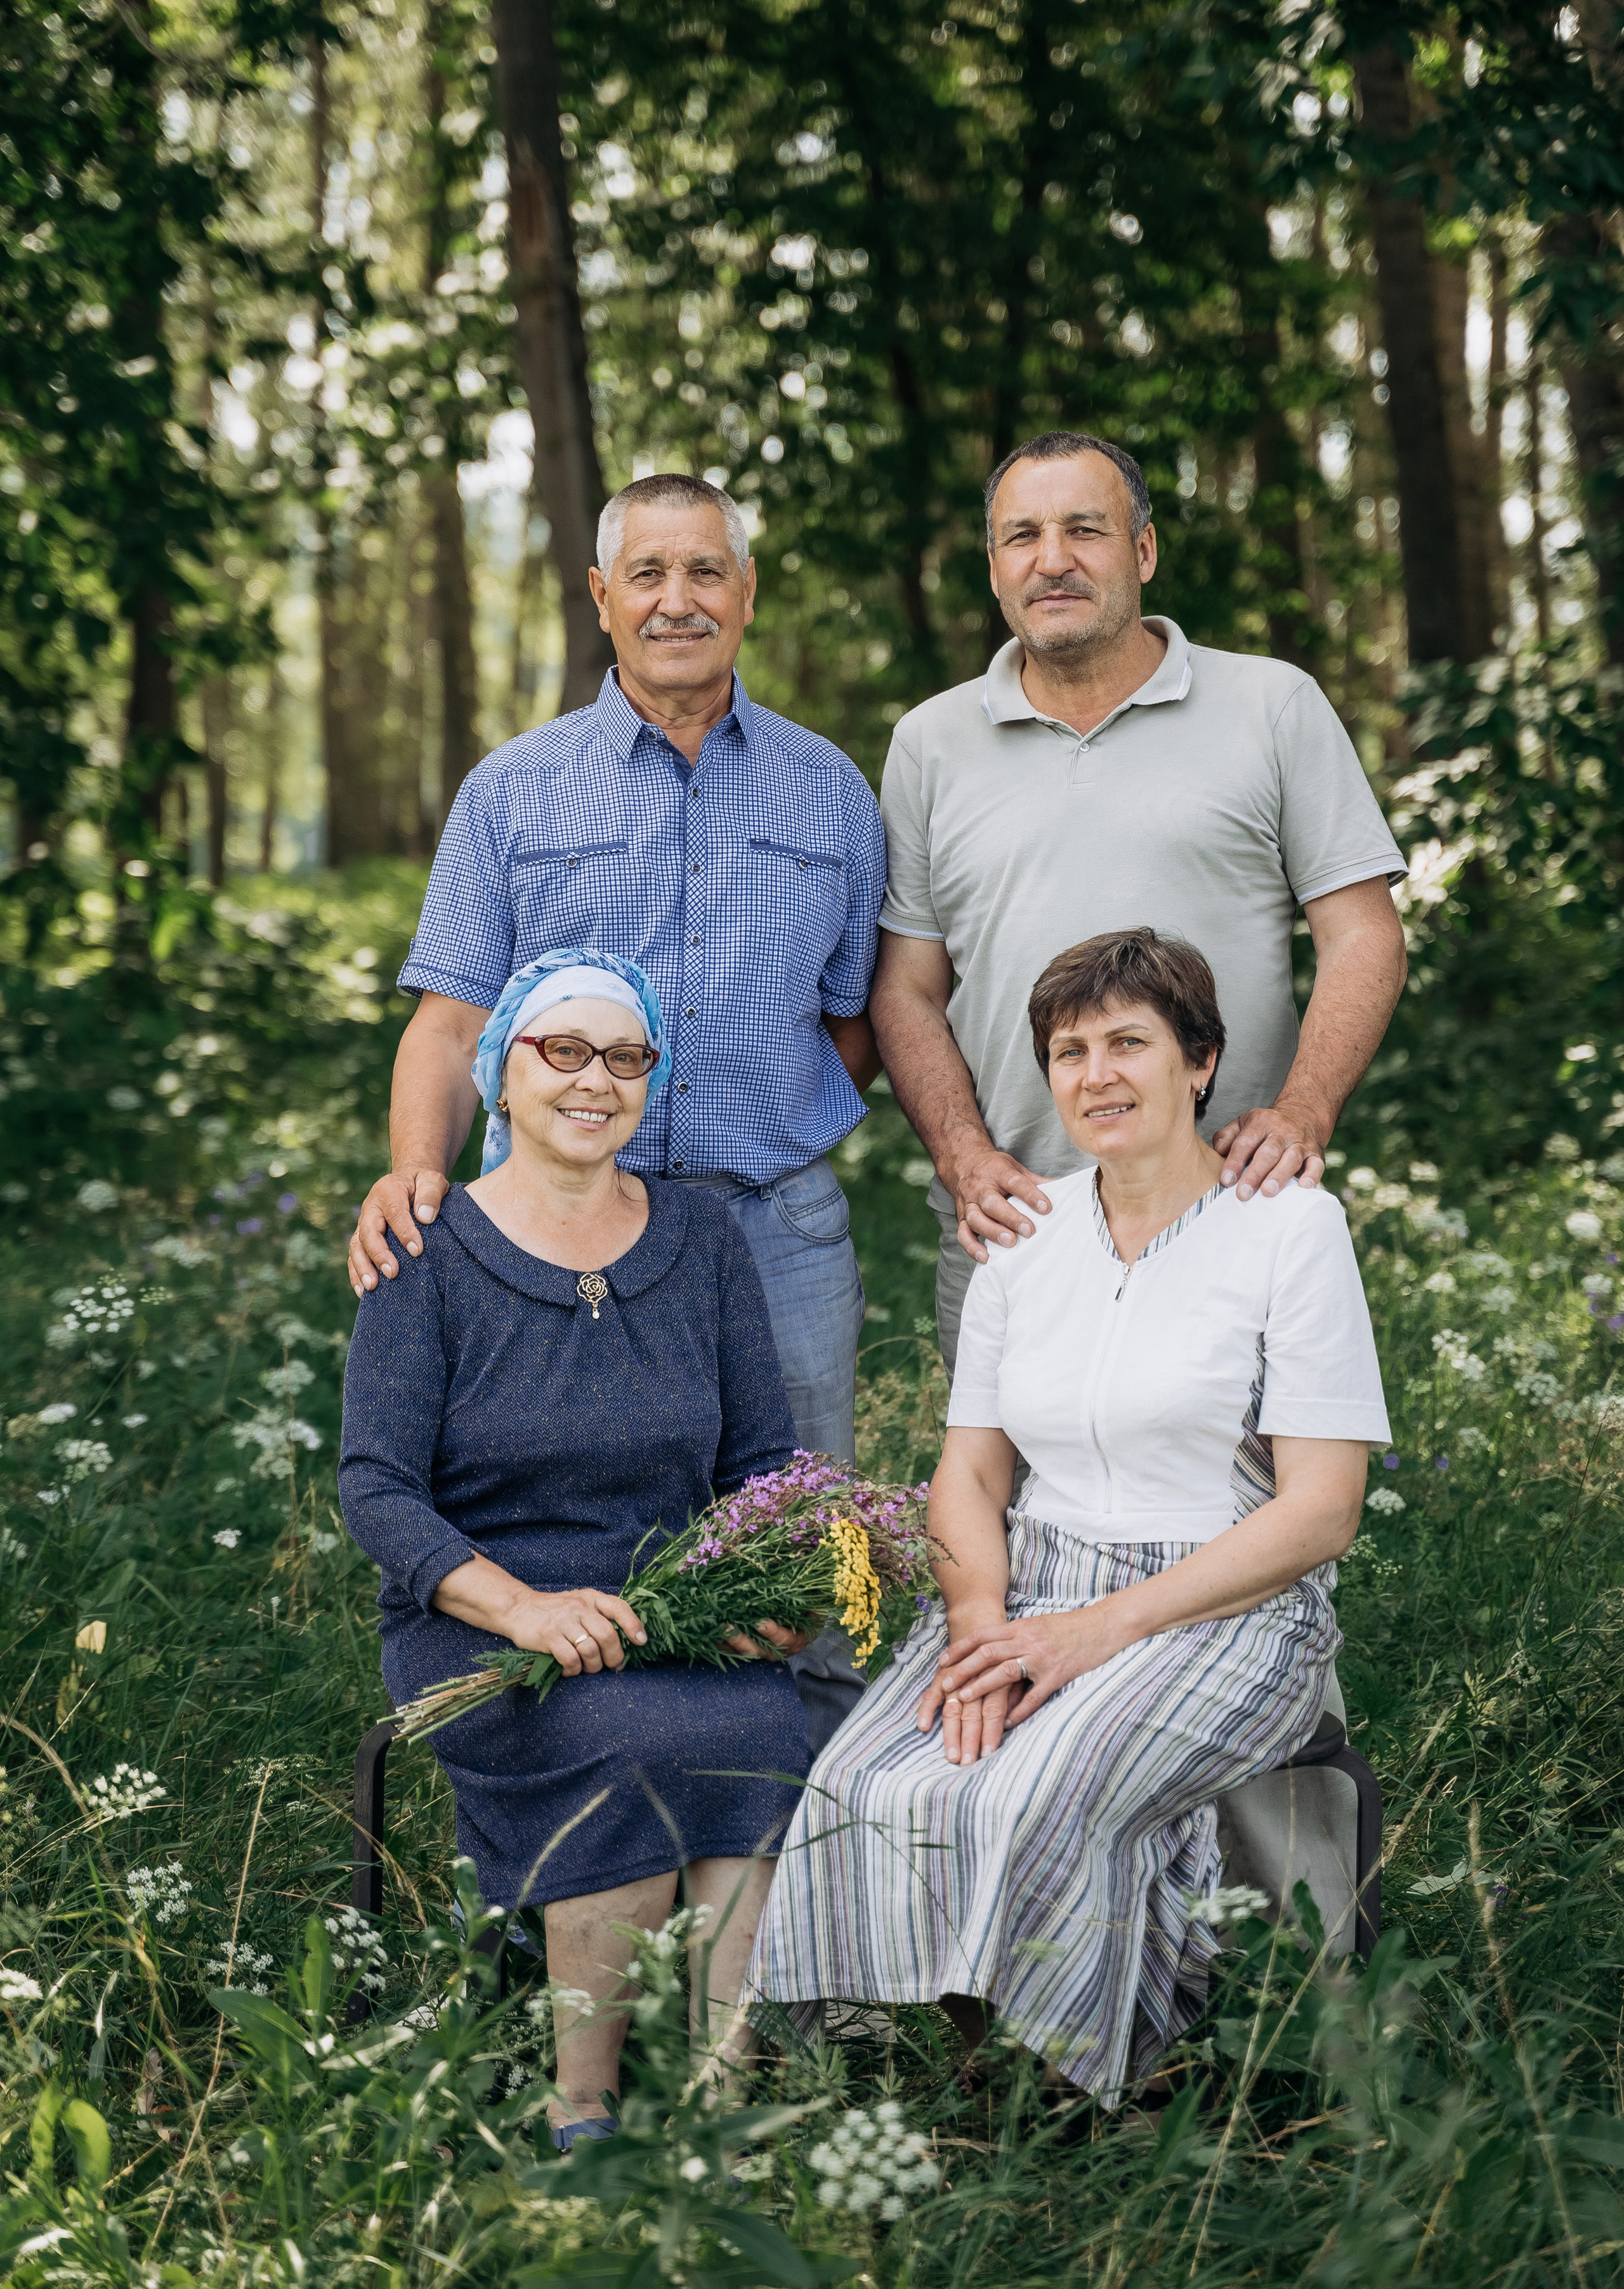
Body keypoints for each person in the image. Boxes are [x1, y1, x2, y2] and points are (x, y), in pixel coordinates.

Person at [745, 930, 1390, 2099]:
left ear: (1201, 1061)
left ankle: (1097, 2089)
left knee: (1038, 1792)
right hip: (1029, 1585)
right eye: (1070, 1052)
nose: (1097, 1075)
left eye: (1129, 1044)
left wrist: (1093, 1634)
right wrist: (983, 1629)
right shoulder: (1026, 1234)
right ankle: (970, 2066)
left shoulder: (1289, 1229)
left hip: (1227, 1603)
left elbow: (1322, 1513)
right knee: (866, 1786)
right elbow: (969, 1477)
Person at [346, 473, 887, 1749]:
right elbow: (450, 1024)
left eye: (704, 571)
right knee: (579, 1529)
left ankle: (807, 1819)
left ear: (745, 593)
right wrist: (416, 1172)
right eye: (646, 573)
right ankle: (576, 1791)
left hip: (771, 1226)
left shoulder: (828, 792)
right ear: (601, 597)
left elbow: (857, 1012)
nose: (675, 599)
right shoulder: (515, 791)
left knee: (797, 1557)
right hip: (557, 1234)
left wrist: (775, 1123)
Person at [339, 951, 813, 2148]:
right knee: (624, 1737)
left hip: (667, 1606)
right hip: (482, 1619)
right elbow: (375, 1488)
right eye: (562, 1050)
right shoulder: (426, 1246)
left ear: (651, 1080)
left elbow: (762, 1461)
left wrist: (772, 1587)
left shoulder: (700, 1236)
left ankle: (715, 2102)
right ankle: (584, 2105)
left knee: (767, 1727)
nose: (594, 1079)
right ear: (502, 1072)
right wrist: (523, 1608)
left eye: (625, 1057)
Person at [868, 428, 1409, 1367]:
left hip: (1233, 1206)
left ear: (1144, 550)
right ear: (994, 568)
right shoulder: (928, 744)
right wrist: (963, 1158)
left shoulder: (1272, 706)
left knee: (1255, 1464)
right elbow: (905, 988)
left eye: (1085, 529)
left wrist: (1302, 1114)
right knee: (1001, 1466)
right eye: (1023, 536)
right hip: (1015, 1222)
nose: (1053, 560)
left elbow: (1363, 934)